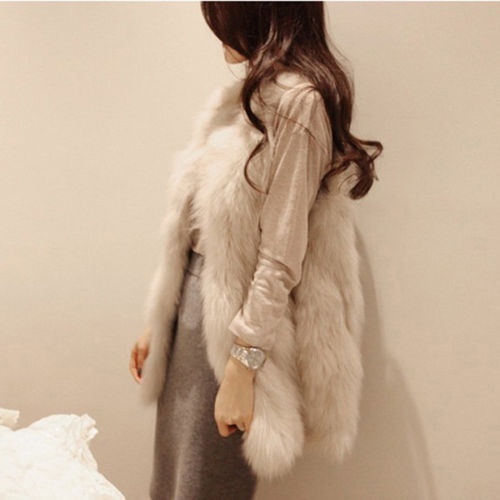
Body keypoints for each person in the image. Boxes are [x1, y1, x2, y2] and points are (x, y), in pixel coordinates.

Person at [129, 2, 383, 499]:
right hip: (194, 315)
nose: (216, 31)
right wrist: (162, 321)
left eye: (222, 15)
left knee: (203, 486)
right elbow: (197, 228)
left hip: (238, 326)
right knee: (172, 481)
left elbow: (282, 254)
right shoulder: (239, 99)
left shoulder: (299, 103)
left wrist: (242, 365)